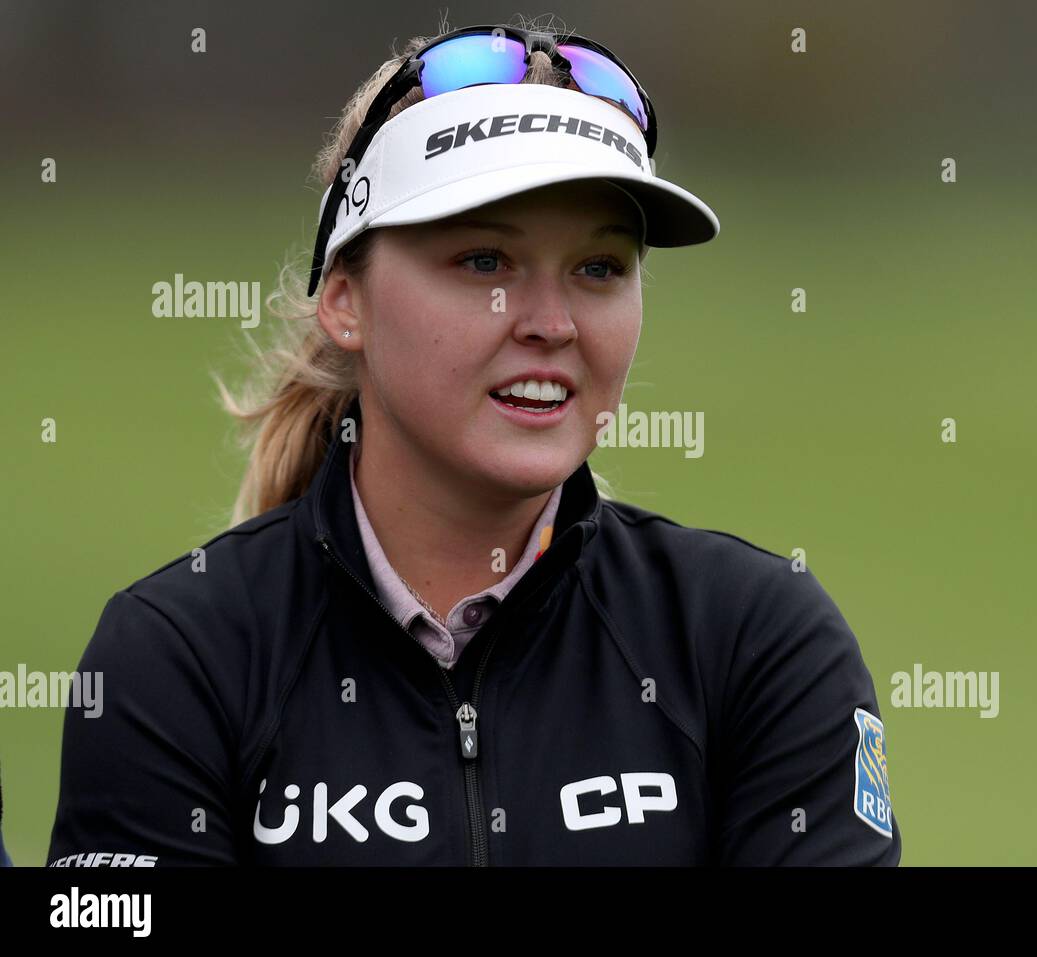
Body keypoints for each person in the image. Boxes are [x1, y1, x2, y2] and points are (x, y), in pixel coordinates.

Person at [46, 19, 900, 866]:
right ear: (345, 298)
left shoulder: (755, 642)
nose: (552, 323)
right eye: (485, 261)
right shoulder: (176, 661)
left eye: (599, 268)